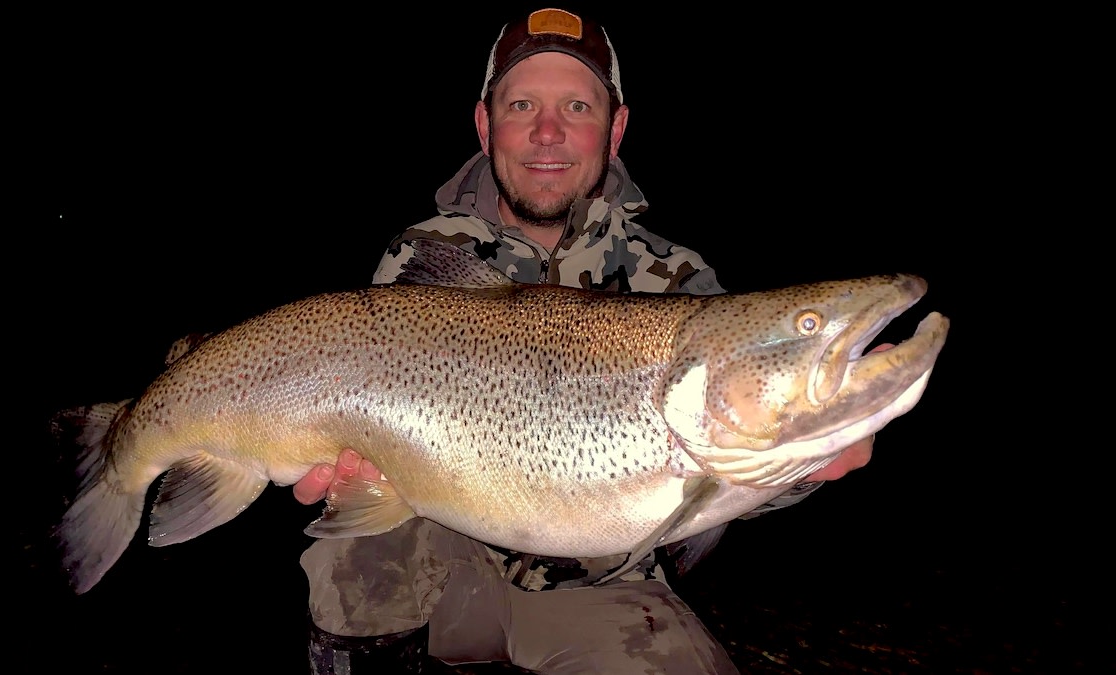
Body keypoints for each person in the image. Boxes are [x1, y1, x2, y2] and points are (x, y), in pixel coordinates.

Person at [294, 8, 876, 674]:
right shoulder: (422, 258)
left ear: (616, 127)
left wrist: (804, 463)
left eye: (576, 105)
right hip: (446, 572)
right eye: (522, 105)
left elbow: (726, 460)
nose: (548, 132)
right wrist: (348, 468)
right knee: (359, 547)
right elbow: (350, 424)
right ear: (485, 125)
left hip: (608, 592)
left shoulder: (679, 281)